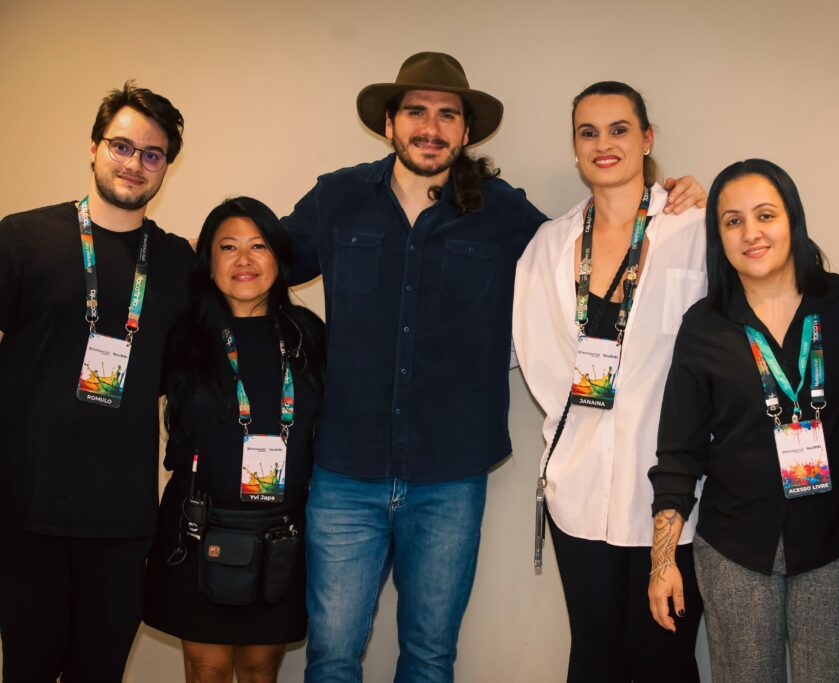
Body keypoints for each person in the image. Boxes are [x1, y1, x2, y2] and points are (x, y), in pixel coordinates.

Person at [280, 52, 705, 682]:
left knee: (430, 657)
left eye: (447, 115)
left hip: (449, 476)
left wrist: (676, 194)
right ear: (389, 124)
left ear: (467, 130)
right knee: (333, 656)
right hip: (346, 471)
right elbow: (257, 266)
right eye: (416, 112)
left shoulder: (504, 215)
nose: (431, 127)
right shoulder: (337, 198)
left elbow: (589, 246)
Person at [648, 159, 839, 682]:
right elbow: (679, 453)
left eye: (765, 215)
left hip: (835, 548)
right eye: (733, 221)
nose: (751, 232)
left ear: (793, 218)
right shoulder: (703, 325)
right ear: (719, 238)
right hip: (735, 553)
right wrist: (662, 563)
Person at [513, 81, 706, 682]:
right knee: (594, 655)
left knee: (663, 657)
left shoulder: (697, 231)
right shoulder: (549, 245)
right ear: (575, 148)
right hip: (579, 487)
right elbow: (536, 356)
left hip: (672, 489)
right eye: (588, 132)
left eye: (619, 129)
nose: (604, 144)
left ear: (647, 139)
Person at [0, 81, 193, 680]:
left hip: (121, 521)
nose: (135, 163)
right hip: (26, 510)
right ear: (93, 147)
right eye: (122, 146)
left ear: (166, 167)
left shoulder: (177, 263)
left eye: (153, 154)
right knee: (27, 669)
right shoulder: (22, 237)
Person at [144, 197, 325, 682]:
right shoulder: (182, 336)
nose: (244, 259)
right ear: (209, 262)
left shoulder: (309, 336)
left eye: (258, 246)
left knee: (260, 669)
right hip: (197, 529)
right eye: (228, 247)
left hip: (279, 535)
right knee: (207, 670)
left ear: (279, 259)